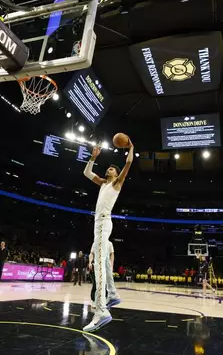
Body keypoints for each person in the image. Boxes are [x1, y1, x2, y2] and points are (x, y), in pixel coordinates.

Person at [82, 138, 134, 332]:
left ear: (117, 173)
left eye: (112, 169)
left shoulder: (116, 184)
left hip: (104, 222)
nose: (109, 170)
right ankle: (111, 294)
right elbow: (87, 173)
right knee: (102, 263)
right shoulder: (103, 183)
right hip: (98, 224)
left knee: (99, 264)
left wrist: (130, 147)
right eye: (109, 168)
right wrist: (93, 157)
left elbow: (128, 163)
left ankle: (102, 310)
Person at [88, 239, 119, 310]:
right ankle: (94, 301)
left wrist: (111, 266)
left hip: (105, 267)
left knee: (105, 285)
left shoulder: (109, 244)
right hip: (96, 266)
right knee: (96, 284)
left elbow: (112, 255)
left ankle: (104, 301)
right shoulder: (95, 243)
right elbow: (91, 253)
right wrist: (90, 262)